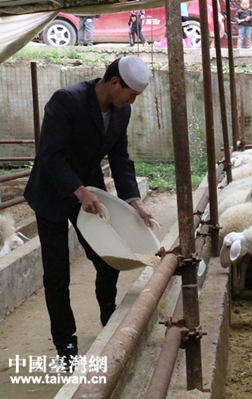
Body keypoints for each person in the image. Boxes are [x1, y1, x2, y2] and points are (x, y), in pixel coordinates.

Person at [23, 56, 153, 368]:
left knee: (107, 258)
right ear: (114, 83)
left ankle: (109, 311)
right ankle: (66, 344)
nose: (130, 101)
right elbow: (51, 155)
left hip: (91, 192)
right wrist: (77, 191)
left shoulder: (121, 112)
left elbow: (120, 158)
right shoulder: (67, 101)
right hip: (53, 192)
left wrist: (134, 200)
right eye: (130, 94)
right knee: (57, 272)